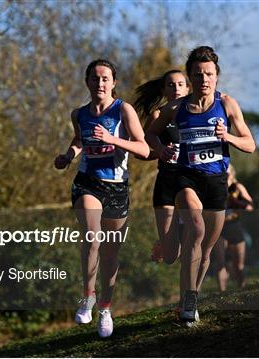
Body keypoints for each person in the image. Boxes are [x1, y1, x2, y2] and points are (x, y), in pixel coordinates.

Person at [147, 46, 255, 325]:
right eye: (197, 74)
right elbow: (150, 134)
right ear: (190, 77)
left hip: (216, 182)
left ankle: (191, 292)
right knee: (196, 229)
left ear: (216, 77)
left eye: (208, 74)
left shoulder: (227, 104)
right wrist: (160, 149)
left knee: (206, 250)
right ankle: (188, 301)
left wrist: (228, 137)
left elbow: (250, 144)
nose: (203, 79)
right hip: (186, 178)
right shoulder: (177, 108)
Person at [54, 59, 149, 337]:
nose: (100, 83)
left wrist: (112, 139)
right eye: (95, 79)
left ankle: (105, 308)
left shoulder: (123, 110)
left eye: (105, 78)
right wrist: (68, 156)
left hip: (117, 187)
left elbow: (143, 149)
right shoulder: (79, 114)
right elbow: (79, 140)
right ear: (87, 82)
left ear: (113, 82)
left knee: (110, 253)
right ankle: (88, 295)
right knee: (92, 238)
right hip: (87, 183)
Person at [134, 69, 190, 264]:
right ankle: (165, 242)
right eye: (171, 85)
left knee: (195, 236)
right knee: (170, 256)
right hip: (167, 181)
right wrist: (159, 151)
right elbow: (139, 151)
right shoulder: (158, 115)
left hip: (193, 182)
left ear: (188, 88)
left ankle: (191, 291)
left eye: (181, 84)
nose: (176, 89)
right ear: (164, 90)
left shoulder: (198, 113)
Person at [214, 164, 253, 291]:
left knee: (239, 265)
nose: (225, 174)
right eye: (222, 171)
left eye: (227, 172)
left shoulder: (237, 187)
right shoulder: (214, 186)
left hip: (234, 225)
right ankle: (221, 292)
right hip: (219, 228)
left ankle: (242, 289)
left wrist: (238, 203)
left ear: (232, 173)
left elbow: (250, 206)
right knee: (221, 263)